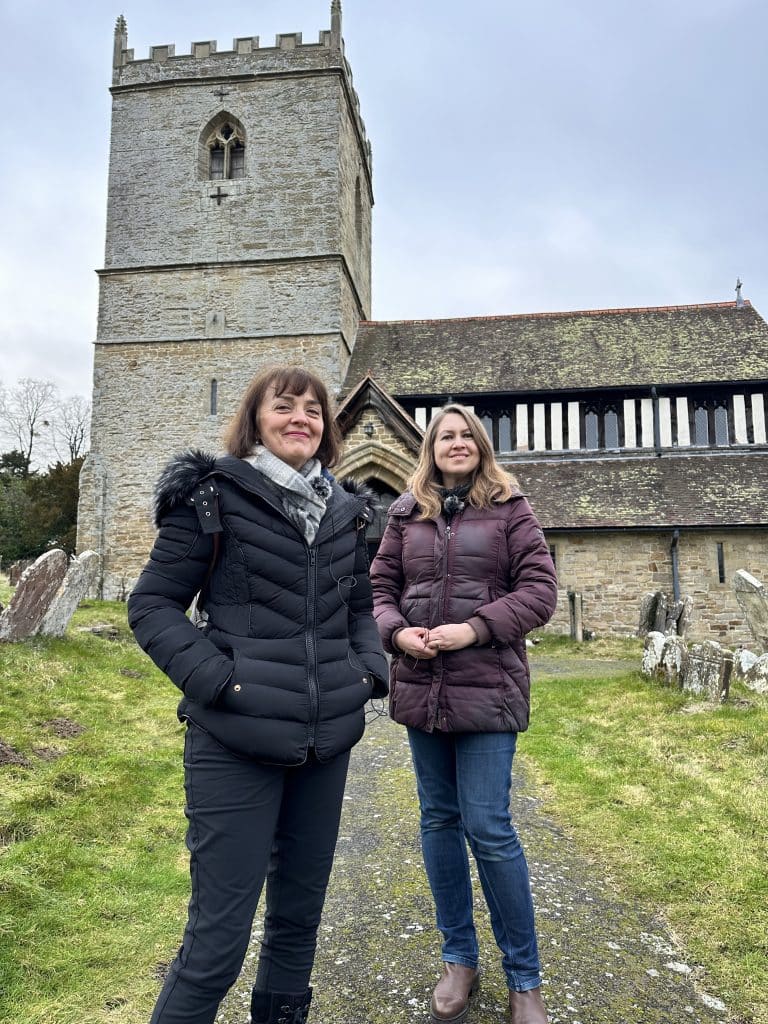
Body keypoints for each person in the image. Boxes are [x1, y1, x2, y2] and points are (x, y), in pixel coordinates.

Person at [128, 365, 388, 1024]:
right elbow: (153, 605)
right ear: (256, 419)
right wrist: (219, 681)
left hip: (325, 743)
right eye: (285, 406)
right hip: (233, 743)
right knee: (217, 943)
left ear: (328, 428)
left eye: (313, 409)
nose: (300, 417)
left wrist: (367, 674)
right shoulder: (212, 497)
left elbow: (361, 608)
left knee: (298, 929)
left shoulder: (348, 511)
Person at [370, 403, 558, 1024]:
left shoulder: (511, 509)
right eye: (444, 435)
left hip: (488, 691)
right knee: (439, 822)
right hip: (422, 691)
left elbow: (539, 592)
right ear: (430, 449)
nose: (456, 443)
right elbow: (380, 589)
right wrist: (397, 635)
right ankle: (459, 959)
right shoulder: (406, 513)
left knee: (490, 828)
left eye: (465, 435)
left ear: (480, 444)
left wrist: (472, 630)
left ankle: (524, 979)